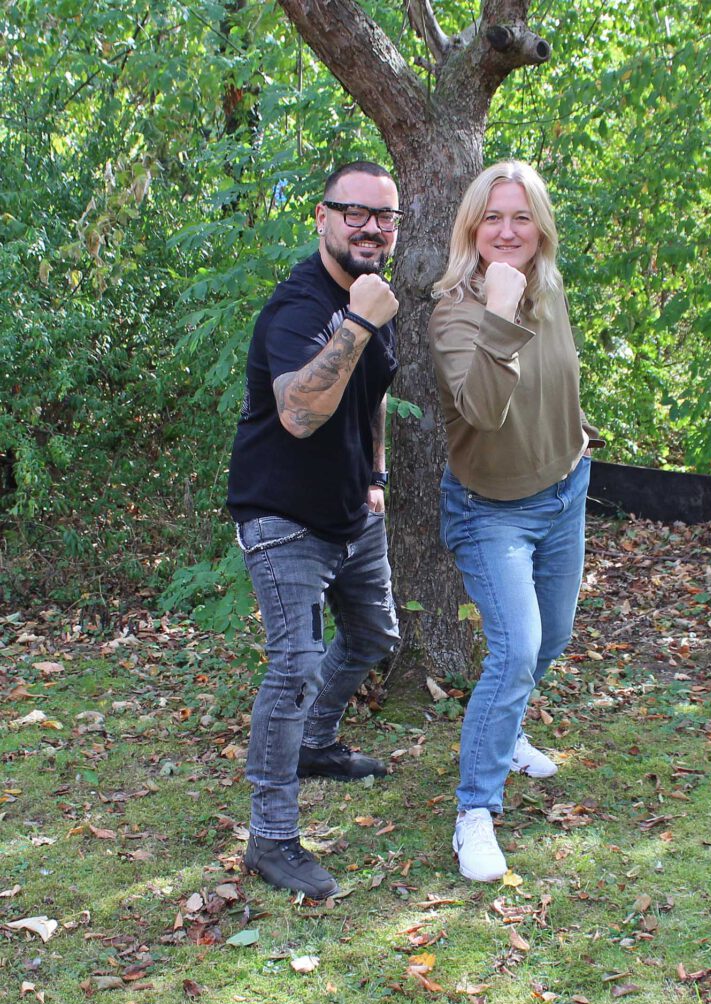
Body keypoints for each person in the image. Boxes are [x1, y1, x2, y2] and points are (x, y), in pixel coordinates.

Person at [227, 161, 403, 899]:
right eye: (353, 212)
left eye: (384, 216)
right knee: (294, 665)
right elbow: (299, 412)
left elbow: (371, 393)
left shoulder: (372, 298)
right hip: (282, 515)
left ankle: (316, 745)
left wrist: (375, 477)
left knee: (375, 637)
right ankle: (269, 839)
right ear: (321, 218)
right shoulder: (299, 306)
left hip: (349, 511)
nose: (370, 226)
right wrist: (360, 320)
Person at [428, 160, 604, 882]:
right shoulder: (453, 309)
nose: (507, 230)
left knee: (550, 639)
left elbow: (557, 377)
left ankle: (505, 736)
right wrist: (498, 307)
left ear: (540, 226)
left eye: (521, 216)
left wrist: (576, 435)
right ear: (471, 225)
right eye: (493, 217)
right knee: (516, 648)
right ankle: (475, 811)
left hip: (564, 490)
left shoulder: (550, 287)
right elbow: (483, 410)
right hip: (488, 510)